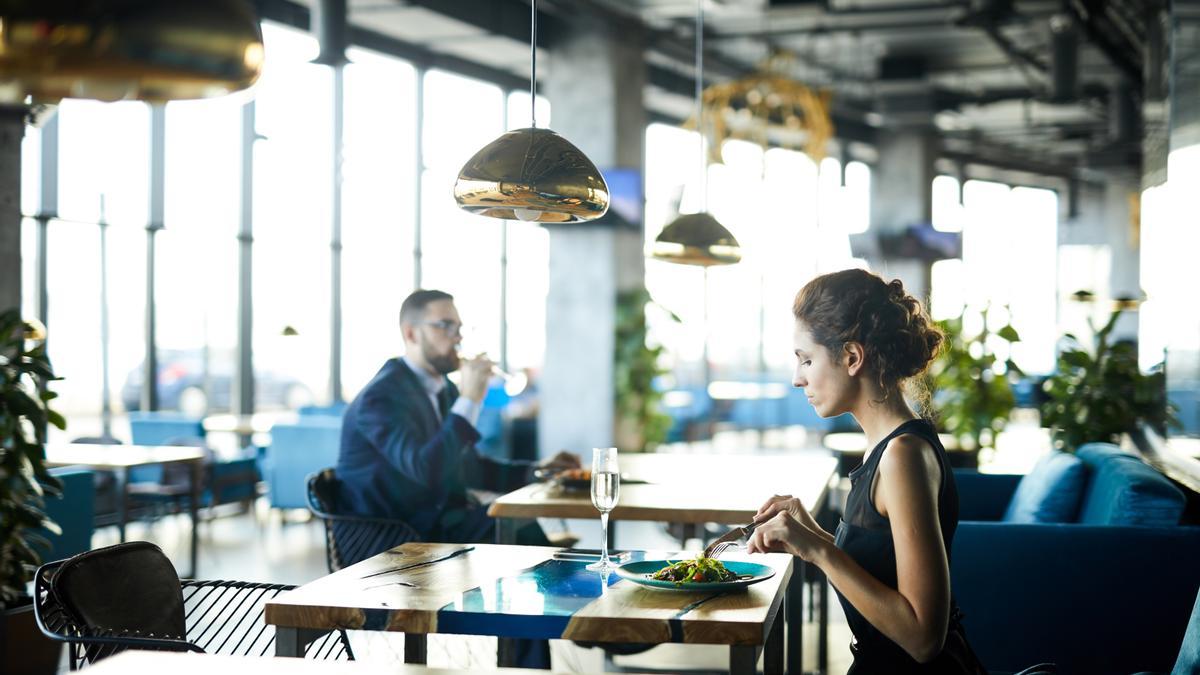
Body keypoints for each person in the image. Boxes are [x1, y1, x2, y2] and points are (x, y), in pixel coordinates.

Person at [747, 268, 988, 674]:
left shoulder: (902, 455)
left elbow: (924, 637)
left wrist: (819, 550)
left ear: (852, 357)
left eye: (806, 359)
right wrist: (813, 533)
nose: (797, 378)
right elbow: (881, 572)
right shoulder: (889, 446)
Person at [337, 289, 578, 546]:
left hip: (432, 522)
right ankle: (554, 569)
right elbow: (426, 470)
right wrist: (470, 399)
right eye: (445, 326)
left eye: (459, 328)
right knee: (513, 524)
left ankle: (553, 567)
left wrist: (538, 472)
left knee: (515, 519)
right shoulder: (381, 397)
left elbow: (469, 468)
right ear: (411, 333)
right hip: (390, 534)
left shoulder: (444, 388)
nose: (457, 337)